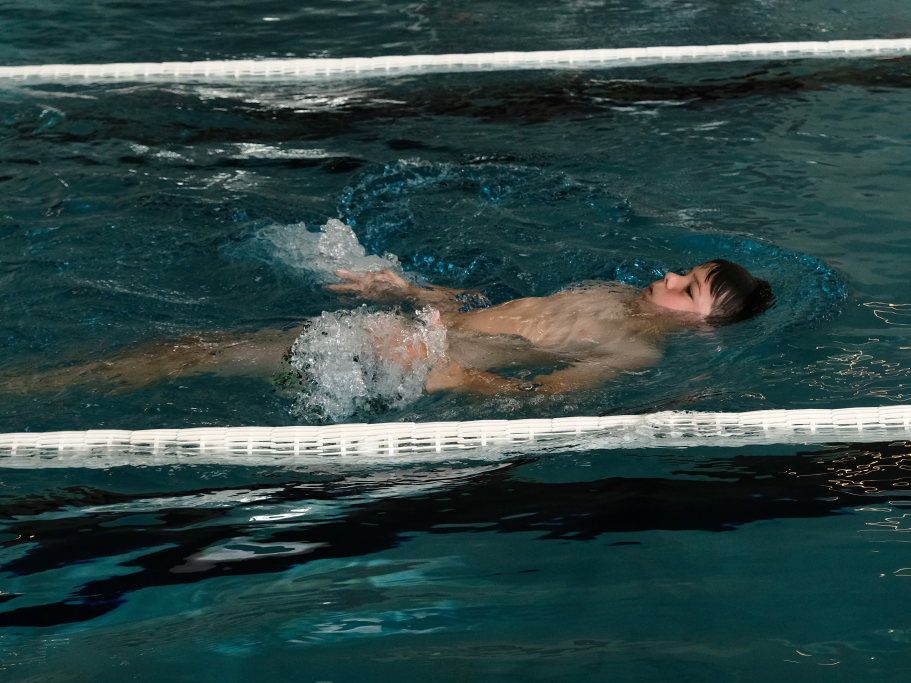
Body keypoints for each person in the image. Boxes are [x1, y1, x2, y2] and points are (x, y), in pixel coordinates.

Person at [3, 259, 772, 401]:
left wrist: (453, 376)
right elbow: (490, 315)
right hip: (407, 331)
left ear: (703, 328)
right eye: (685, 271)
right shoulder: (607, 294)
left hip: (399, 359)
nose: (669, 276)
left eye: (688, 289)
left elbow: (539, 400)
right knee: (185, 353)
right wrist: (410, 290)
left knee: (187, 356)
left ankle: (29, 388)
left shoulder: (632, 348)